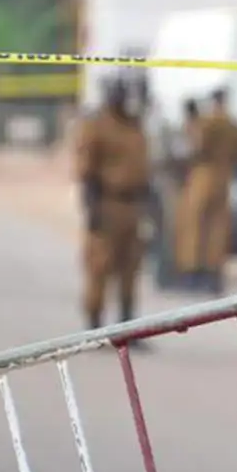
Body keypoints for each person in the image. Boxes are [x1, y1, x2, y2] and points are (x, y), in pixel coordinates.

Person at [78, 76, 152, 335]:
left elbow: (144, 167)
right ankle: (94, 326)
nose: (121, 97)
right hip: (107, 203)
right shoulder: (97, 126)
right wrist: (91, 209)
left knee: (131, 268)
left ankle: (127, 327)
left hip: (133, 205)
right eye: (116, 93)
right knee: (99, 266)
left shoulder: (135, 125)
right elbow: (86, 171)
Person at [174, 88, 237, 293]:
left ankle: (192, 271)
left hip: (202, 174)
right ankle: (214, 271)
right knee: (219, 227)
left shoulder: (205, 123)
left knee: (194, 224)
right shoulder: (234, 125)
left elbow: (195, 147)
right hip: (225, 176)